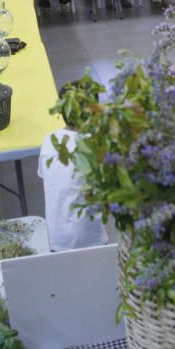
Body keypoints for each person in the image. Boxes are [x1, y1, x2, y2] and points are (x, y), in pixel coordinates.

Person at [38, 81, 108, 252]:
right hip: (92, 238)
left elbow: (45, 175)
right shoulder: (97, 145)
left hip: (56, 238)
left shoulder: (49, 141)